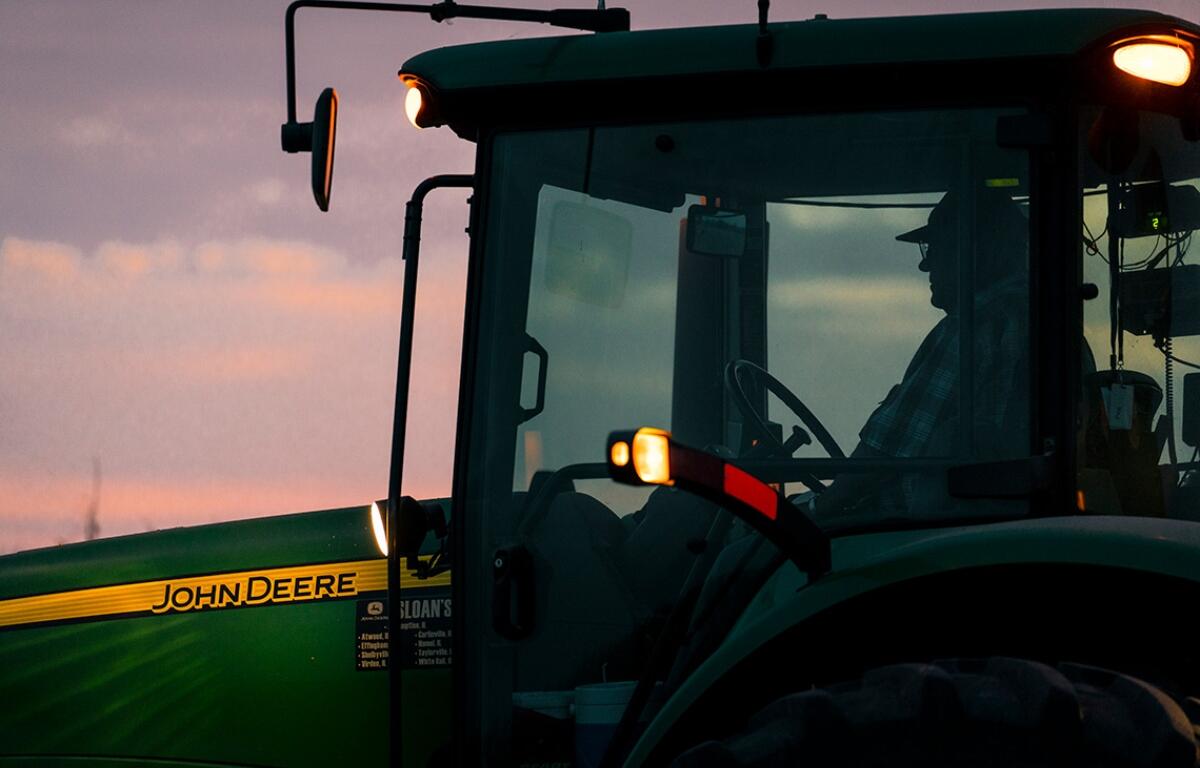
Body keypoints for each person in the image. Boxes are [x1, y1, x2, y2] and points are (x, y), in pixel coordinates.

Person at [812, 185, 1030, 521]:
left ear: (973, 250)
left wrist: (816, 512)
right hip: (978, 521)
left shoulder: (975, 325)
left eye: (936, 249)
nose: (925, 266)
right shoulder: (1043, 320)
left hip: (918, 529)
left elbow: (888, 450)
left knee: (748, 553)